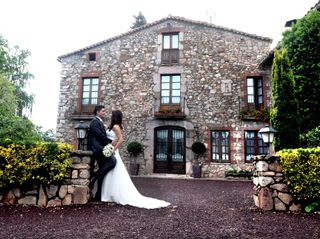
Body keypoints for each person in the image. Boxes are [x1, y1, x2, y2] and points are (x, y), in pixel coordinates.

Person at [101, 110, 171, 209]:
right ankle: (110, 194)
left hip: (113, 151)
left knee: (114, 171)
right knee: (111, 172)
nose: (110, 116)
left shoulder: (116, 126)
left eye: (112, 115)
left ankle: (112, 194)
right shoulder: (114, 126)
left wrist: (114, 149)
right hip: (112, 149)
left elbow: (121, 140)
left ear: (115, 116)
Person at [87, 105, 117, 201]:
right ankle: (94, 177)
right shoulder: (95, 122)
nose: (104, 113)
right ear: (97, 112)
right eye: (103, 111)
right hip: (97, 149)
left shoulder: (99, 121)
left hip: (101, 148)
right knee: (112, 161)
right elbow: (99, 136)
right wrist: (110, 142)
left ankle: (98, 196)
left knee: (102, 173)